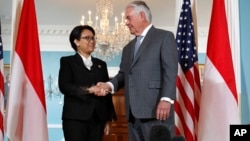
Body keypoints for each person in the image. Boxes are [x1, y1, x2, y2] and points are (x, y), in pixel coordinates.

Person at [91, 1, 178, 141]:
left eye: (128, 18)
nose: (126, 22)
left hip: (156, 109)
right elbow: (123, 75)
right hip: (132, 113)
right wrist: (109, 85)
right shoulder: (128, 48)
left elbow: (170, 70)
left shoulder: (164, 37)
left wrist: (166, 99)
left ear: (142, 15)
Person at [58, 25, 116, 141]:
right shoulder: (67, 62)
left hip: (98, 119)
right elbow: (64, 86)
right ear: (76, 42)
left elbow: (107, 94)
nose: (92, 41)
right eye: (87, 38)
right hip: (75, 119)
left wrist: (108, 119)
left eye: (93, 38)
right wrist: (90, 89)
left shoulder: (101, 64)